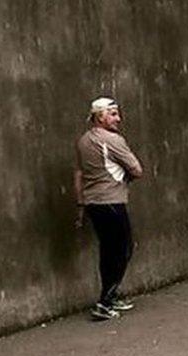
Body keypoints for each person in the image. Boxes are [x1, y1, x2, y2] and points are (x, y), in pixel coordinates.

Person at [73, 97, 144, 321]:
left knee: (108, 250)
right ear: (100, 116)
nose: (118, 118)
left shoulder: (84, 141)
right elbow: (137, 169)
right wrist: (127, 177)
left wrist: (81, 204)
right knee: (123, 250)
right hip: (111, 201)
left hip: (94, 203)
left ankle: (110, 297)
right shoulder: (113, 140)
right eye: (113, 114)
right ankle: (104, 302)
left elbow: (78, 175)